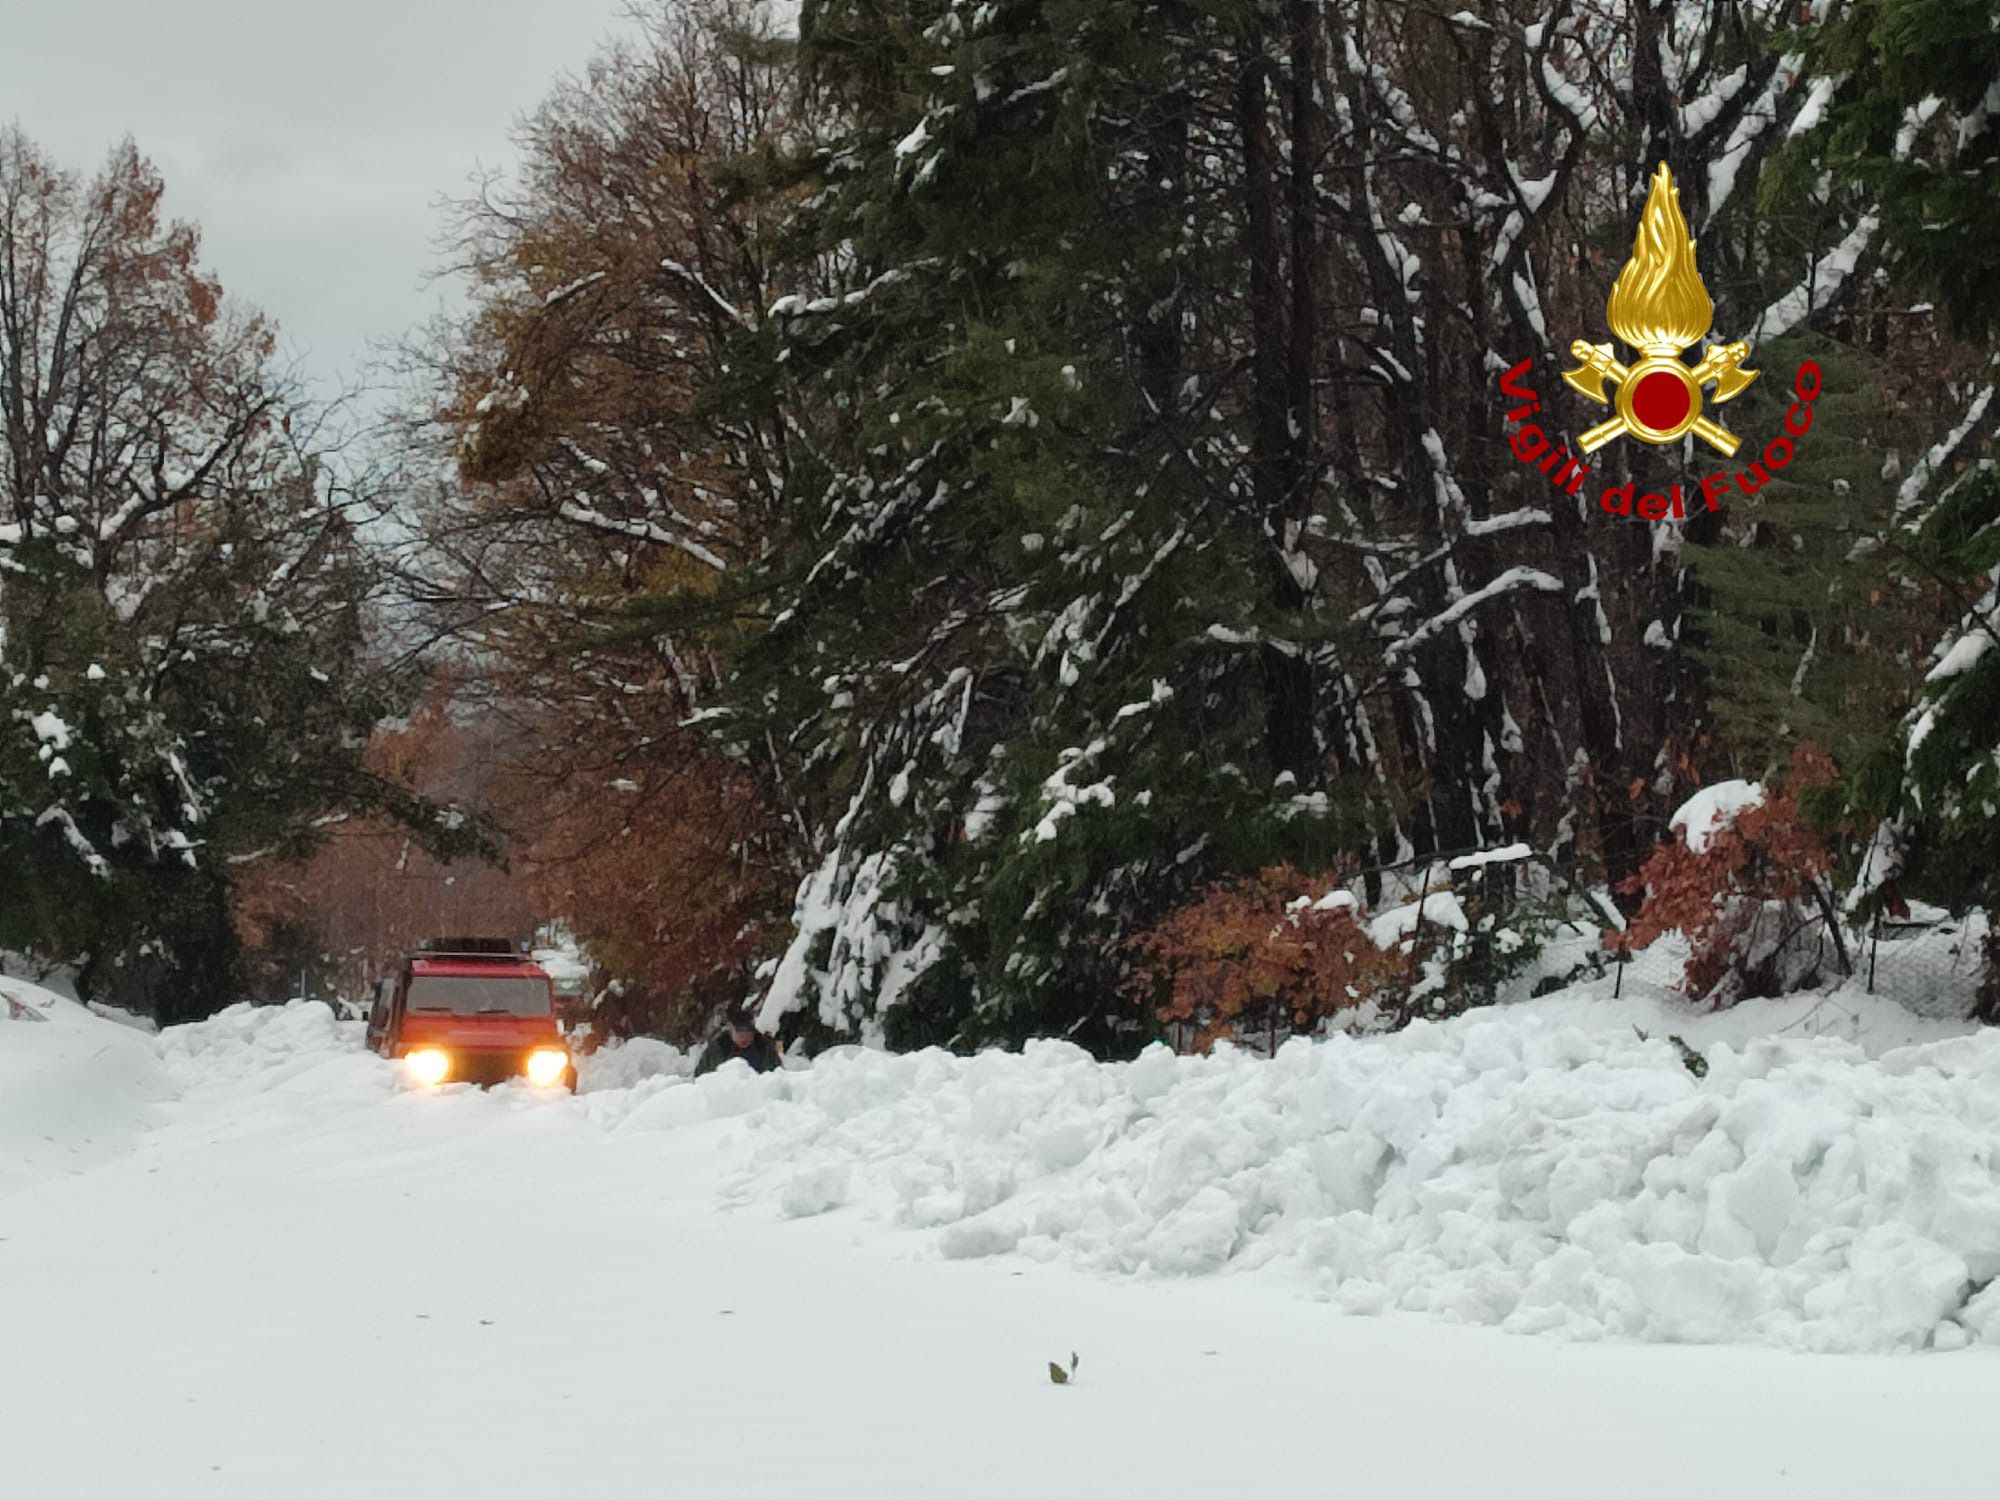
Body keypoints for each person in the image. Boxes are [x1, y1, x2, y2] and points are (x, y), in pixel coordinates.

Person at [694, 1007, 782, 1076]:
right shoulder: (718, 1049)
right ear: (730, 1029)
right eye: (739, 1032)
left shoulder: (764, 1048)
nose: (744, 1037)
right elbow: (701, 1079)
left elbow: (777, 1078)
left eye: (748, 1032)